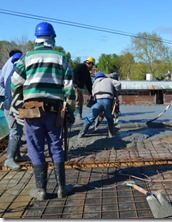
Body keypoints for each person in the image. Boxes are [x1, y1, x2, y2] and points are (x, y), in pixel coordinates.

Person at [11, 21, 76, 200]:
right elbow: (69, 88)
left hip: (32, 111)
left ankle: (41, 190)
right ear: (52, 38)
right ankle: (62, 188)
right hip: (54, 111)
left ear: (37, 38)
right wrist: (70, 110)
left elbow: (15, 83)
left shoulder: (27, 57)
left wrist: (18, 103)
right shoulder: (61, 57)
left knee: (35, 148)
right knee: (56, 146)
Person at [78, 72, 121, 138]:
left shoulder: (94, 83)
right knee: (109, 118)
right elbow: (118, 83)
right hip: (107, 100)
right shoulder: (109, 80)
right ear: (104, 76)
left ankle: (81, 134)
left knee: (90, 117)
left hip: (97, 101)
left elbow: (92, 94)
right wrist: (116, 92)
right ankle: (111, 134)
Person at [2, 52, 24, 170]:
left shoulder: (11, 72)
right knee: (15, 132)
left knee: (19, 131)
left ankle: (17, 155)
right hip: (10, 108)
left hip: (9, 106)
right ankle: (9, 159)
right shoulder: (17, 73)